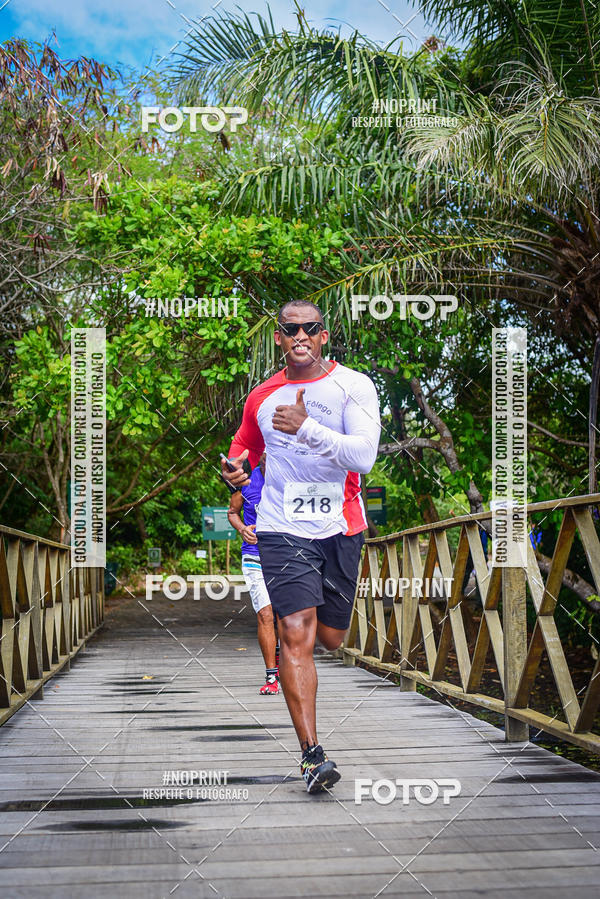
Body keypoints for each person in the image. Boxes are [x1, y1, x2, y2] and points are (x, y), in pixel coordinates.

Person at [221, 300, 380, 793]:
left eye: (310, 328)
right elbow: (240, 450)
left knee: (330, 637)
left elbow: (366, 456)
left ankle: (312, 742)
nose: (301, 336)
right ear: (279, 338)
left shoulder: (353, 386)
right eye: (291, 330)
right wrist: (234, 470)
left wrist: (307, 427)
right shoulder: (262, 396)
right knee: (296, 631)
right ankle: (312, 755)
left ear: (324, 335)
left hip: (339, 526)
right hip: (281, 526)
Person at [227, 452, 280, 695]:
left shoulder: (293, 480)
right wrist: (242, 529)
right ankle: (272, 677)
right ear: (261, 459)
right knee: (265, 614)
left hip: (286, 556)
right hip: (254, 555)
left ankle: (288, 670)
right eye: (268, 459)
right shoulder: (247, 483)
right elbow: (232, 512)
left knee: (287, 617)